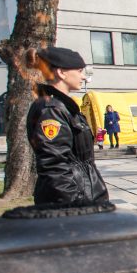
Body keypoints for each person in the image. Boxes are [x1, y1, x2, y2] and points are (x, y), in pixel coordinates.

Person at [25, 46, 109, 206]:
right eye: (79, 71)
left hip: (84, 195)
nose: (83, 77)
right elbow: (54, 167)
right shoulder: (51, 111)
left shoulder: (64, 107)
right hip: (71, 203)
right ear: (61, 72)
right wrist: (76, 206)